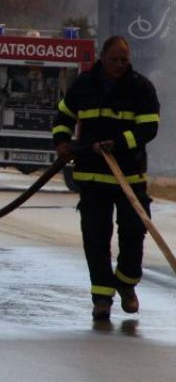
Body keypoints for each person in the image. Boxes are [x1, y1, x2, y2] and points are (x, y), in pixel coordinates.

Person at [52, 35, 160, 321]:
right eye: (114, 59)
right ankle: (102, 297)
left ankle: (126, 283)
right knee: (96, 237)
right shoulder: (84, 86)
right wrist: (62, 142)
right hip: (92, 175)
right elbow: (63, 116)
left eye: (124, 59)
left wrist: (119, 143)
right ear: (102, 58)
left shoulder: (140, 88)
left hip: (129, 175)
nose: (119, 65)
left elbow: (148, 128)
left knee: (135, 232)